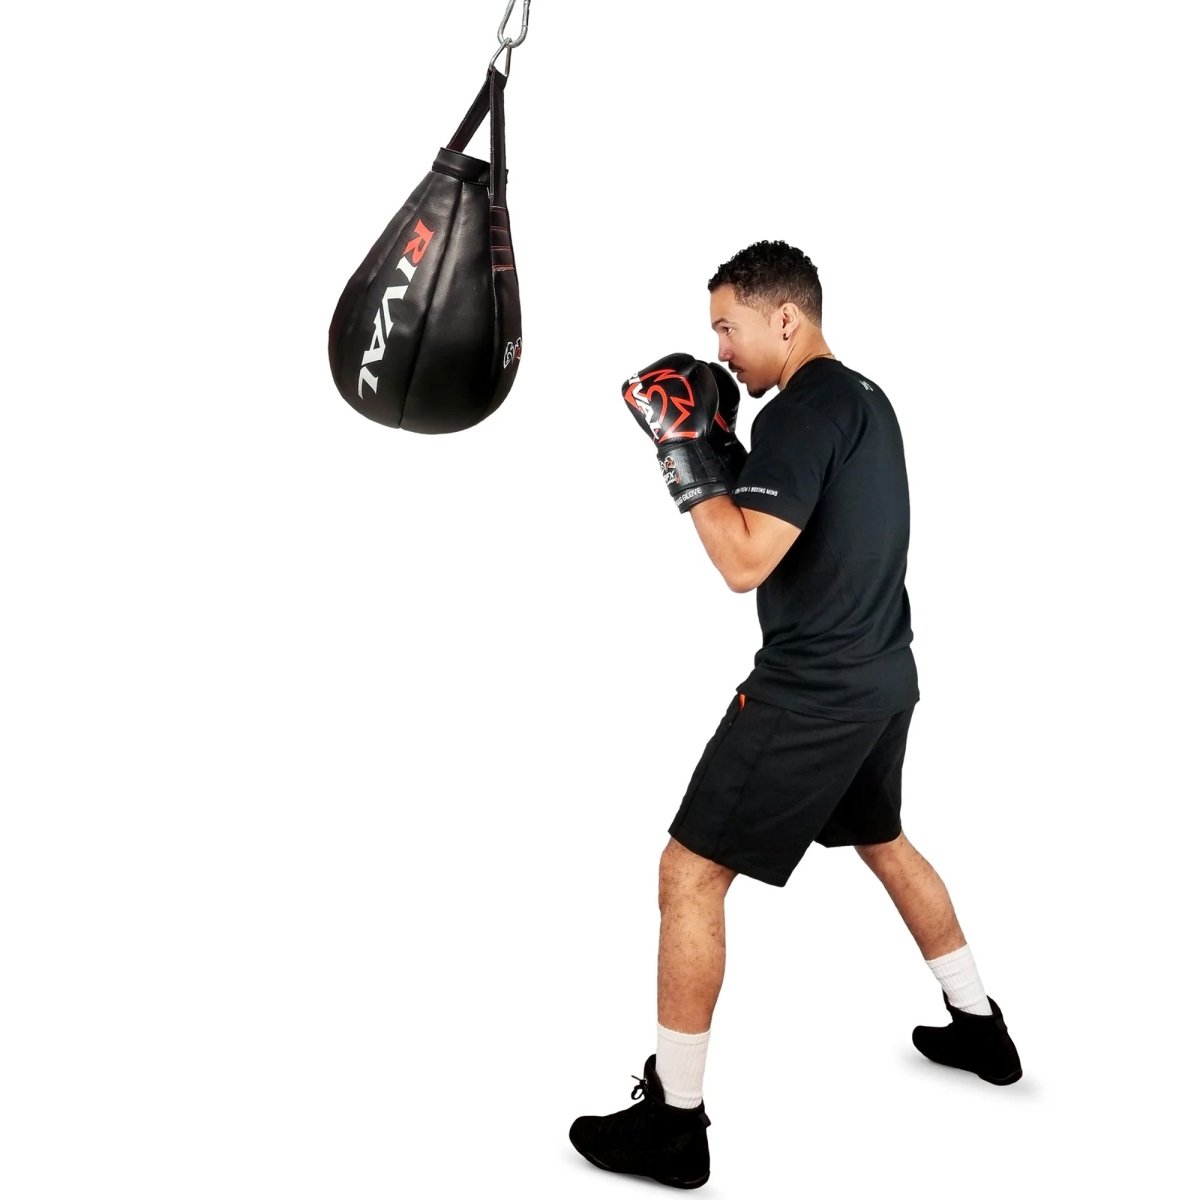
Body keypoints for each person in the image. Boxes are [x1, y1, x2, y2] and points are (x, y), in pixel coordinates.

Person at [568, 241, 1022, 1190]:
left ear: (786, 317)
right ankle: (980, 1026)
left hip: (811, 693)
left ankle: (675, 1123)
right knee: (884, 841)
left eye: (728, 327)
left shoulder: (800, 413)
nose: (720, 351)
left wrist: (684, 452)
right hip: (882, 675)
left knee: (689, 874)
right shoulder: (862, 398)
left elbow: (743, 563)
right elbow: (813, 525)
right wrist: (731, 453)